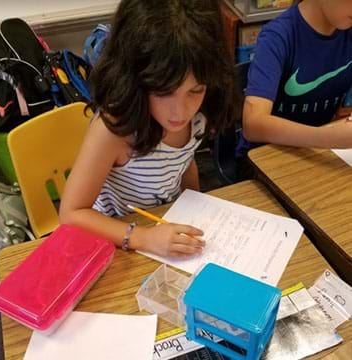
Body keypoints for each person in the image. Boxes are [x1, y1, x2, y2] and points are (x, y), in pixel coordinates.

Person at [59, 0, 234, 257]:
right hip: (116, 238)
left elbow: (183, 162)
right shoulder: (115, 128)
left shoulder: (201, 113)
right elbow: (71, 214)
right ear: (134, 79)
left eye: (195, 90)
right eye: (164, 92)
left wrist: (198, 208)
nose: (181, 113)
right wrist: (142, 236)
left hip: (163, 226)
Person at [243, 0, 352, 148]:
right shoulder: (278, 36)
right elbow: (253, 124)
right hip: (267, 153)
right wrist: (329, 138)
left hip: (320, 150)